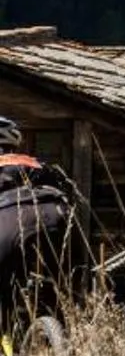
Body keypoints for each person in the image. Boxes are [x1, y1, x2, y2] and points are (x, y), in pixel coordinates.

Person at [0, 119, 78, 327]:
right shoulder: (38, 164)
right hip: (55, 216)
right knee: (63, 285)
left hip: (9, 219)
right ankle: (60, 330)